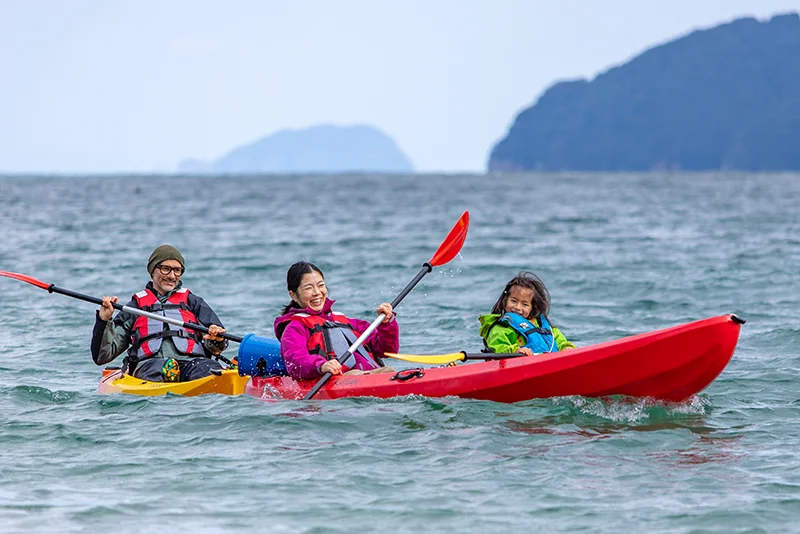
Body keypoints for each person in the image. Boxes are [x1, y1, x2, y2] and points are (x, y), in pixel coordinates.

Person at [90, 244, 229, 382]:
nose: (172, 276)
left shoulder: (193, 303)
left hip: (191, 363)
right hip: (150, 365)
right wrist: (104, 320)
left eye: (177, 270)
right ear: (152, 271)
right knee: (158, 370)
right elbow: (102, 356)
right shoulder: (135, 307)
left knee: (207, 368)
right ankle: (169, 377)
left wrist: (217, 340)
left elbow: (217, 347)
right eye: (165, 269)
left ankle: (183, 377)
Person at [274, 261, 399, 380]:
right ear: (294, 295)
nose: (317, 292)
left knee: (389, 371)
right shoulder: (294, 328)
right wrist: (322, 366)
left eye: (321, 285)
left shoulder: (348, 322)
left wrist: (386, 323)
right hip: (336, 380)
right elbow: (296, 363)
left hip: (371, 375)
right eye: (308, 288)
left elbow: (388, 350)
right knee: (367, 373)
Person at [479, 271, 576, 355]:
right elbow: (498, 346)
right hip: (518, 365)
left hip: (547, 363)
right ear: (505, 301)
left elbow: (560, 341)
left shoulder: (543, 326)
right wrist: (515, 351)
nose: (517, 307)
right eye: (513, 301)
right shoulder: (500, 328)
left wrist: (566, 347)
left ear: (533, 307)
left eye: (525, 304)